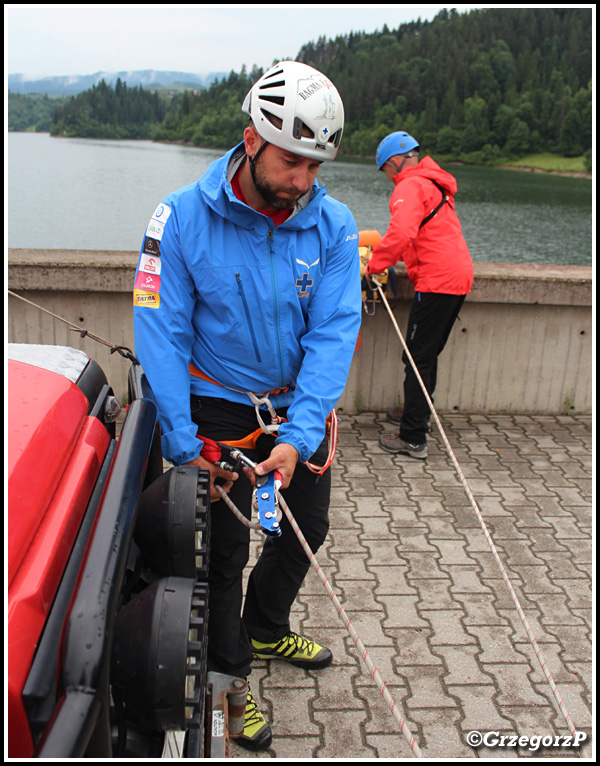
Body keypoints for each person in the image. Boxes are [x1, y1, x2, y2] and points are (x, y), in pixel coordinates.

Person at [133, 61, 361, 750]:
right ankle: (230, 683)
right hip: (216, 411)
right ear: (251, 141)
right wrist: (181, 439)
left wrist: (297, 436)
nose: (302, 182)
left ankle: (265, 626)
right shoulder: (178, 217)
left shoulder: (334, 224)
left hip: (296, 411)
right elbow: (161, 329)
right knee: (221, 558)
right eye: (292, 161)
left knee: (304, 531)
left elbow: (334, 331)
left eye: (315, 166)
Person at [366, 131, 473, 459]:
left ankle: (413, 436)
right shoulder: (432, 182)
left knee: (416, 359)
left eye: (386, 169)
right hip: (456, 277)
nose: (388, 177)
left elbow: (400, 233)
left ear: (396, 161)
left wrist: (373, 265)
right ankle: (417, 412)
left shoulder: (410, 185)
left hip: (438, 281)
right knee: (425, 355)